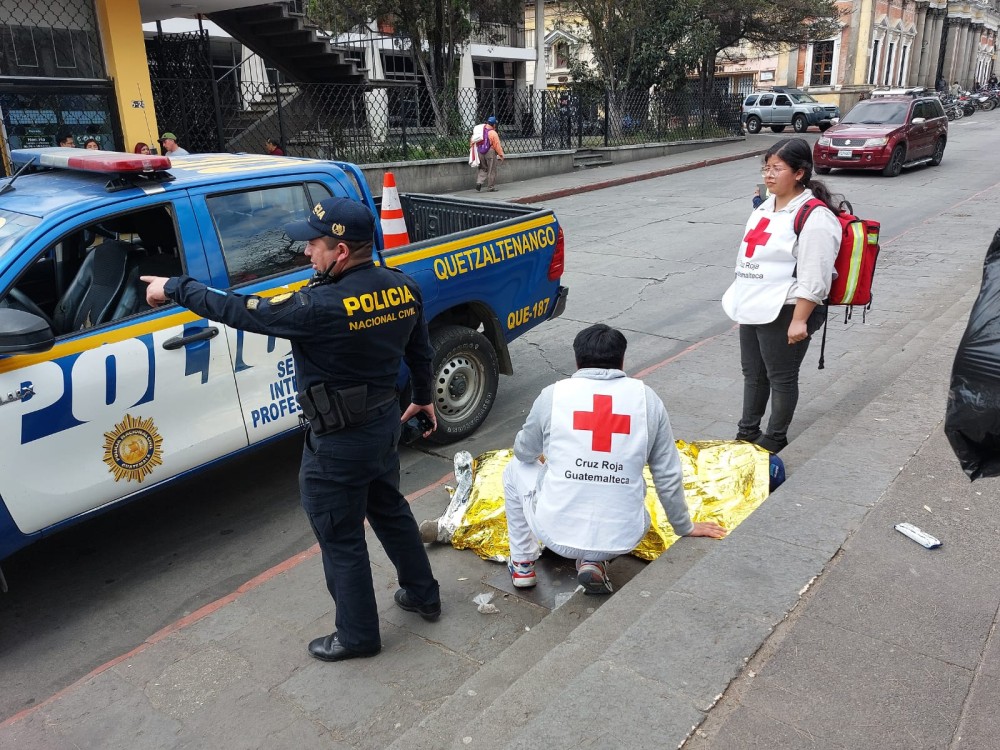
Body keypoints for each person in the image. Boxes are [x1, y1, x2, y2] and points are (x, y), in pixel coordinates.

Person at [141, 197, 441, 662]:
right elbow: (419, 351)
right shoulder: (404, 287)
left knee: (340, 537)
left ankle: (359, 636)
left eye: (314, 244)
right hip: (382, 425)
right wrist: (423, 397)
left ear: (340, 251)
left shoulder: (316, 306)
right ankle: (424, 594)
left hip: (337, 443)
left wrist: (175, 286)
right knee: (390, 510)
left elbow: (239, 310)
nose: (307, 253)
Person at [503, 324, 727, 595]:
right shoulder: (648, 400)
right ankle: (592, 561)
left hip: (555, 534)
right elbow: (667, 473)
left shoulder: (554, 394)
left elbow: (523, 452)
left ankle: (523, 564)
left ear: (577, 360)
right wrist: (685, 527)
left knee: (515, 468)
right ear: (622, 360)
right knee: (611, 488)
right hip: (623, 536)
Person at [721, 138, 841, 454]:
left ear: (800, 173)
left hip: (788, 309)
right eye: (766, 167)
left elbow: (815, 275)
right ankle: (746, 435)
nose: (769, 175)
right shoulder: (765, 206)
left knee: (781, 378)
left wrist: (799, 320)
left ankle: (774, 439)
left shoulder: (815, 216)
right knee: (753, 374)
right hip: (755, 305)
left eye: (778, 168)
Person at [474, 116, 505, 192]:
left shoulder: (481, 131)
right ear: (494, 125)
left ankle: (479, 182)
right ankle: (490, 187)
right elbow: (497, 146)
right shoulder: (493, 133)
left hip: (480, 151)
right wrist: (501, 155)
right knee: (491, 170)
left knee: (483, 168)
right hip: (490, 152)